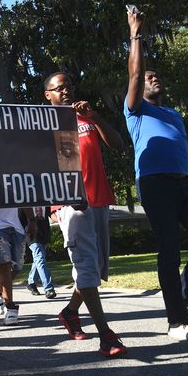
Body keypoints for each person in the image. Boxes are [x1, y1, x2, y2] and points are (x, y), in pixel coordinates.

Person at [125, 8, 188, 340]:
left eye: (157, 76)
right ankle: (176, 322)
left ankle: (183, 298)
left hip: (186, 184)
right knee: (169, 249)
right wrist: (136, 33)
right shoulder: (136, 109)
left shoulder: (174, 114)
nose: (154, 78)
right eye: (149, 75)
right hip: (155, 183)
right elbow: (135, 76)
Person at [43, 71, 127, 356]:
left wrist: (95, 117)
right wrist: (57, 204)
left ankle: (69, 312)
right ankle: (106, 335)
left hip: (99, 199)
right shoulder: (43, 126)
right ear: (48, 95)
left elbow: (118, 144)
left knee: (95, 268)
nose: (65, 91)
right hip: (72, 205)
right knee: (87, 267)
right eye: (58, 88)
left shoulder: (86, 118)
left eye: (68, 87)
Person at [25, 206, 57, 299]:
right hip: (32, 234)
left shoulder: (43, 198)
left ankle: (31, 282)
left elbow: (49, 213)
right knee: (40, 259)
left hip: (44, 232)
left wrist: (60, 218)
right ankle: (48, 288)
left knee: (38, 259)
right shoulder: (25, 200)